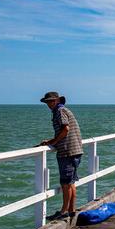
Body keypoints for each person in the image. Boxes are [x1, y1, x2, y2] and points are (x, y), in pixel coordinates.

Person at [38, 91, 83, 220]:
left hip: (67, 151)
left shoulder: (60, 111)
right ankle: (71, 210)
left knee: (65, 183)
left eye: (51, 101)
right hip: (75, 150)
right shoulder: (63, 110)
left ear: (57, 101)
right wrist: (52, 141)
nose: (49, 104)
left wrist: (54, 141)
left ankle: (63, 211)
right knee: (71, 182)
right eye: (47, 102)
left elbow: (65, 129)